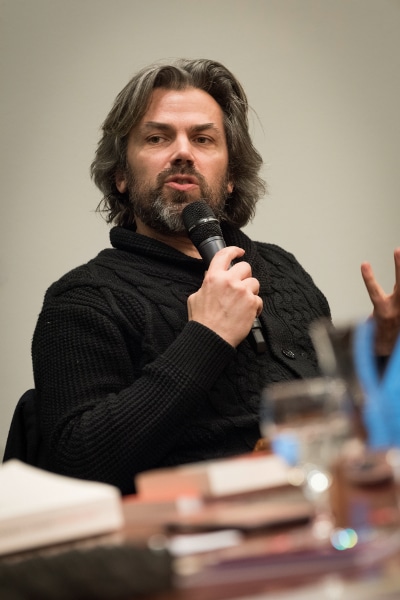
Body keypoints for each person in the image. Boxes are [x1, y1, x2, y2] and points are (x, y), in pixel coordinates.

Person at [30, 59, 400, 495]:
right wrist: (207, 337)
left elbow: (342, 423)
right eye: (157, 137)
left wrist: (380, 355)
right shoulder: (83, 299)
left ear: (230, 179)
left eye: (203, 138)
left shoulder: (282, 269)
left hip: (323, 504)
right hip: (193, 527)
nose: (183, 152)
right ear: (121, 176)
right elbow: (76, 467)